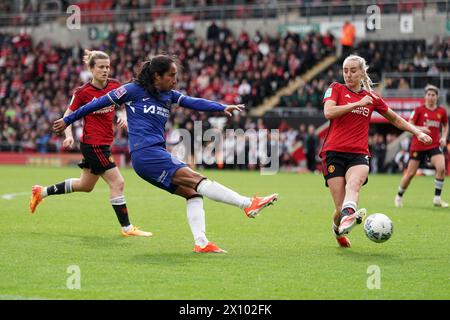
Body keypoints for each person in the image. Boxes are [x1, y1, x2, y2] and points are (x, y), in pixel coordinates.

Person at [53, 55, 278, 253]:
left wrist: (221, 107)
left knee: (192, 193)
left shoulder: (167, 94)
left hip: (152, 157)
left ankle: (201, 242)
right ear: (156, 76)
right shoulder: (131, 90)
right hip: (146, 154)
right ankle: (247, 203)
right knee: (197, 179)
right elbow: (95, 104)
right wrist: (67, 120)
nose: (174, 80)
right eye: (170, 75)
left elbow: (192, 101)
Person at [29, 49, 152, 237]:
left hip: (103, 143)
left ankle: (41, 192)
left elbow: (128, 104)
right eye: (101, 67)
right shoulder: (82, 92)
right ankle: (127, 228)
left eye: (108, 67)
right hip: (93, 144)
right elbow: (67, 116)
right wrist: (67, 135)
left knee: (85, 185)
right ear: (91, 69)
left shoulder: (115, 86)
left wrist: (124, 116)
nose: (105, 70)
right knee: (118, 182)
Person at [320, 54, 432, 248]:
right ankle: (338, 229)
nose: (348, 74)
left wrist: (416, 132)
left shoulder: (372, 98)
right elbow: (329, 112)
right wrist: (357, 104)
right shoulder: (335, 89)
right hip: (333, 153)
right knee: (339, 210)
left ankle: (349, 215)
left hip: (359, 154)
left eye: (353, 71)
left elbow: (395, 119)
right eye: (345, 71)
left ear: (362, 72)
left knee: (354, 185)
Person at [395, 84, 449, 208]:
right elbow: (409, 124)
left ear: (437, 97)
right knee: (410, 174)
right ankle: (399, 195)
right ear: (425, 96)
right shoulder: (419, 110)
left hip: (433, 144)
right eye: (428, 95)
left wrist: (444, 137)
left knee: (441, 168)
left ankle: (437, 199)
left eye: (433, 95)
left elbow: (445, 125)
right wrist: (421, 128)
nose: (431, 97)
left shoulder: (441, 111)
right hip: (418, 145)